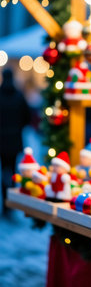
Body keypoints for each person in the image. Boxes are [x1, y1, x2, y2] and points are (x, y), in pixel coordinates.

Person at [0, 68, 31, 215]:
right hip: (15, 140)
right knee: (13, 171)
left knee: (3, 170)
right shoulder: (19, 96)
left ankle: (5, 202)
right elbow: (27, 117)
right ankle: (10, 202)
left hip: (1, 140)